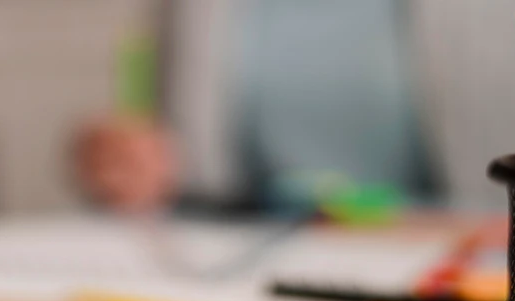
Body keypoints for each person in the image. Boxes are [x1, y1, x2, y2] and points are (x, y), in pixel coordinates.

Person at [75, 0, 436, 214]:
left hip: (430, 246)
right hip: (245, 249)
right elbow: (170, 152)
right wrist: (127, 159)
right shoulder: (194, 11)